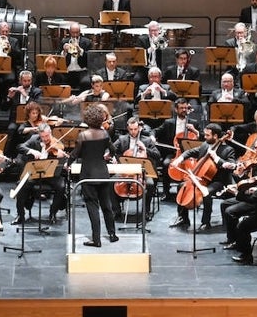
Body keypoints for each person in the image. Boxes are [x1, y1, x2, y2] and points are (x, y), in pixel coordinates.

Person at [169, 123, 236, 232]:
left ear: (215, 136)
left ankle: (206, 222)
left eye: (207, 135)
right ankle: (183, 218)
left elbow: (231, 166)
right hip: (202, 179)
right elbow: (190, 152)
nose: (204, 137)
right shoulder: (205, 145)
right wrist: (179, 159)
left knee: (206, 192)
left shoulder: (228, 150)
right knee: (182, 186)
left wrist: (216, 158)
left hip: (219, 181)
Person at [69, 104, 118, 247]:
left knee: (92, 207)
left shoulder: (83, 135)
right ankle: (112, 234)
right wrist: (108, 155)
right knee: (106, 205)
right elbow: (113, 149)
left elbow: (75, 154)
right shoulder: (105, 134)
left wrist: (68, 164)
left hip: (88, 175)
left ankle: (96, 239)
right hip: (103, 173)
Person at [15, 124, 68, 225]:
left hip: (50, 175)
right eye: (42, 137)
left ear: (50, 133)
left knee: (61, 187)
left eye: (47, 136)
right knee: (21, 185)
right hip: (35, 173)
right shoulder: (34, 139)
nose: (45, 139)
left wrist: (61, 158)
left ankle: (52, 213)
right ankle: (20, 215)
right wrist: (32, 151)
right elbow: (20, 147)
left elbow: (63, 162)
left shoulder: (57, 143)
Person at [113, 117, 161, 221]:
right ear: (127, 128)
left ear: (139, 128)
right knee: (110, 183)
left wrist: (145, 149)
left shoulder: (147, 140)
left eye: (135, 129)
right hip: (125, 172)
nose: (133, 132)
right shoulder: (122, 139)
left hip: (143, 173)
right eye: (131, 129)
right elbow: (112, 149)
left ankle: (146, 211)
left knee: (150, 184)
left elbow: (157, 155)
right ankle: (116, 211)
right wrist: (113, 158)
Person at [153, 98, 200, 206]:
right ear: (176, 109)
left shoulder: (194, 123)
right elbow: (156, 131)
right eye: (181, 108)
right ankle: (166, 192)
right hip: (174, 153)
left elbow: (202, 138)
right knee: (166, 164)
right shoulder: (168, 122)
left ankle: (192, 191)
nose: (184, 110)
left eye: (185, 108)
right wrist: (152, 136)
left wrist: (195, 131)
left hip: (189, 154)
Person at [0, 21, 24, 102]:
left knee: (9, 78)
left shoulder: (14, 41)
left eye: (6, 31)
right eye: (3, 31)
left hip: (9, 68)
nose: (4, 33)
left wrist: (10, 47)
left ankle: (6, 101)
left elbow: (19, 56)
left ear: (9, 31)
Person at [61, 22, 92, 91]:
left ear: (80, 31)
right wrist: (65, 51)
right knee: (60, 81)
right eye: (73, 32)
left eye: (77, 32)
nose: (75, 35)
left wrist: (80, 50)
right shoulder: (64, 41)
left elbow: (89, 58)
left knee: (86, 82)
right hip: (68, 71)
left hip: (81, 70)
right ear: (70, 32)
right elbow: (59, 59)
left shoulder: (86, 42)